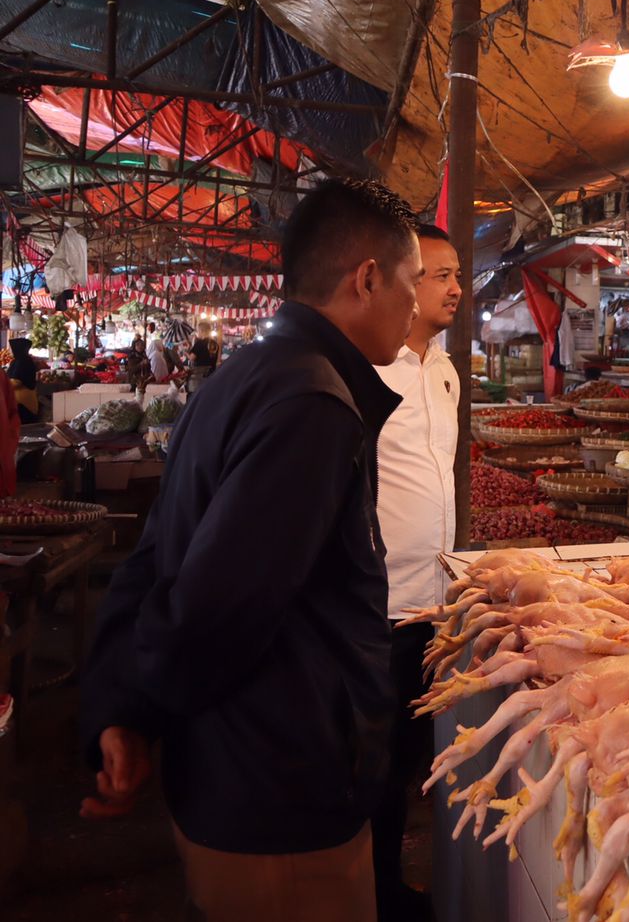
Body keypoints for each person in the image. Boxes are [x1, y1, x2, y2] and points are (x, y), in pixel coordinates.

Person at [79, 178, 424, 922]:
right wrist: (140, 712)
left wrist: (125, 709)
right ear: (367, 279)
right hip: (279, 793)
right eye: (413, 282)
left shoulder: (250, 376)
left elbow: (157, 556)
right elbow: (213, 609)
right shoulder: (312, 404)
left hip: (241, 775)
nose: (419, 304)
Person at [371, 223, 461, 921]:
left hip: (437, 606)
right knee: (372, 766)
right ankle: (370, 893)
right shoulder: (368, 371)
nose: (455, 288)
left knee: (409, 761)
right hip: (379, 605)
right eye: (439, 275)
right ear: (401, 280)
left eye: (458, 275)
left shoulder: (445, 369)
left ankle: (392, 885)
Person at [7, 338, 39, 423]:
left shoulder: (23, 361)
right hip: (20, 401)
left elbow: (17, 382)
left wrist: (4, 384)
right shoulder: (18, 360)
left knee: (24, 429)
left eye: (12, 348)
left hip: (24, 403)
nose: (10, 350)